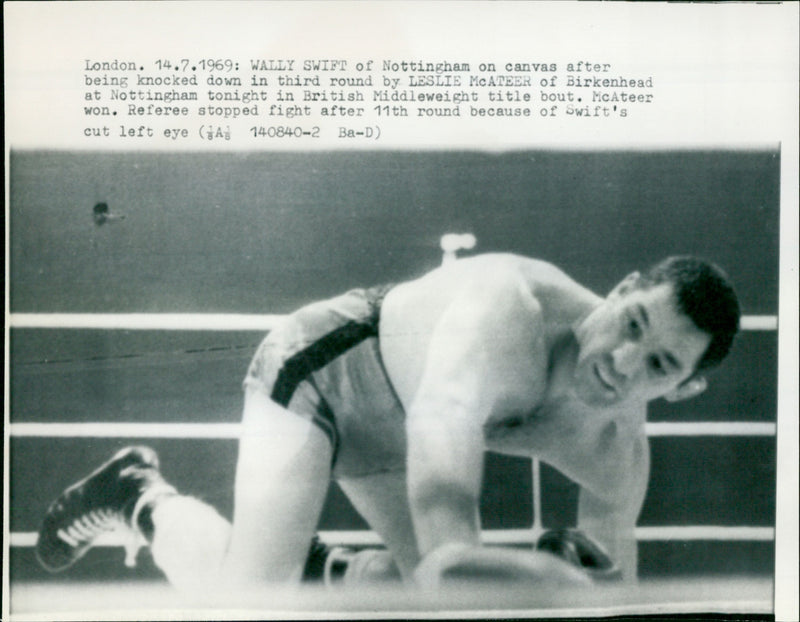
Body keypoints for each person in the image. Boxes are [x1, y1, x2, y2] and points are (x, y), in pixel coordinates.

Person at [35, 253, 740, 595]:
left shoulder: (618, 453)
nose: (621, 361)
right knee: (249, 605)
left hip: (403, 432)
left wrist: (574, 588)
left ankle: (327, 568)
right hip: (328, 370)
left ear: (683, 389)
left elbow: (616, 605)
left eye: (658, 366)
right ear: (621, 290)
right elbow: (444, 520)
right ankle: (141, 498)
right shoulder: (509, 311)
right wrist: (526, 579)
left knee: (412, 606)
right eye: (632, 322)